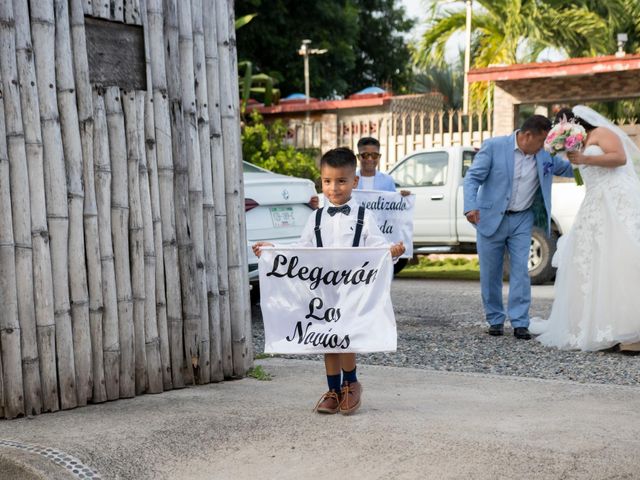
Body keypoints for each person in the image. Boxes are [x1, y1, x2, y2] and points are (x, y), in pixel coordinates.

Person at [253, 147, 405, 414]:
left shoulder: (363, 217)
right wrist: (272, 249)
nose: (334, 188)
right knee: (326, 338)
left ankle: (352, 383)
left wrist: (390, 252)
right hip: (324, 289)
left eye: (341, 181)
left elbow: (378, 248)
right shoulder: (316, 217)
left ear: (354, 182)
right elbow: (303, 248)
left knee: (345, 336)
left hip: (353, 289)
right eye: (327, 181)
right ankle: (333, 389)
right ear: (320, 181)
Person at [530, 106, 640, 352]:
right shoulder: (575, 144)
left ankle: (631, 331)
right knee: (589, 263)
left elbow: (620, 158)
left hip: (615, 200)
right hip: (593, 203)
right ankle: (597, 327)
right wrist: (575, 159)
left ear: (576, 122)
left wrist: (586, 159)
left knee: (620, 259)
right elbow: (583, 176)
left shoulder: (601, 133)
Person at [463, 115, 574, 340]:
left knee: (521, 271)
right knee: (490, 272)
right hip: (490, 217)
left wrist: (589, 159)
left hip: (523, 219)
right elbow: (472, 178)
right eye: (541, 140)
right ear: (527, 135)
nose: (544, 146)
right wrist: (470, 206)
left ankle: (520, 322)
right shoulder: (494, 147)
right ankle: (495, 320)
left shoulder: (544, 156)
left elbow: (569, 169)